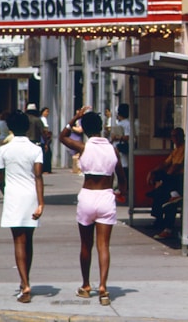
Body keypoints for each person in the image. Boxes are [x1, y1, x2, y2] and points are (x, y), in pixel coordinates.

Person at [59, 107, 127, 306]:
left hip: (87, 197)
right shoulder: (112, 149)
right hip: (106, 197)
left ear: (85, 129)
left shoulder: (83, 147)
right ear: (101, 128)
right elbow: (122, 178)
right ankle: (104, 288)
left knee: (85, 245)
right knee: (103, 246)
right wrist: (122, 193)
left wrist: (75, 117)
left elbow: (63, 136)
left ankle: (86, 285)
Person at [0, 110, 44, 303]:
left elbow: (0, 180)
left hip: (13, 197)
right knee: (29, 240)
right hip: (31, 196)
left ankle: (24, 285)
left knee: (18, 241)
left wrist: (7, 193)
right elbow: (39, 176)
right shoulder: (36, 149)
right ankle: (26, 279)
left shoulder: (4, 150)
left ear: (10, 128)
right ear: (27, 127)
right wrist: (41, 202)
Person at [146, 127, 185, 239]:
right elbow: (165, 163)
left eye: (176, 136)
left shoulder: (184, 149)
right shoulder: (175, 150)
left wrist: (163, 180)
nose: (174, 139)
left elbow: (175, 167)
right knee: (161, 195)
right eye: (173, 136)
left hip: (180, 181)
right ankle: (159, 220)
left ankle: (168, 229)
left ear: (182, 136)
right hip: (173, 182)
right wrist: (152, 171)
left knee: (168, 200)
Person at [110, 103, 130, 188]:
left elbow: (127, 137)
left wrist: (117, 137)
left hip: (122, 149)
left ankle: (123, 187)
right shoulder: (121, 123)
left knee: (123, 168)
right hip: (118, 149)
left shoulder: (127, 124)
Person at [40, 107, 52, 173]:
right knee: (46, 154)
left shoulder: (43, 119)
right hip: (43, 139)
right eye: (46, 111)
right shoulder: (43, 119)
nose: (47, 113)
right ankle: (45, 169)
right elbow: (45, 130)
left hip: (43, 139)